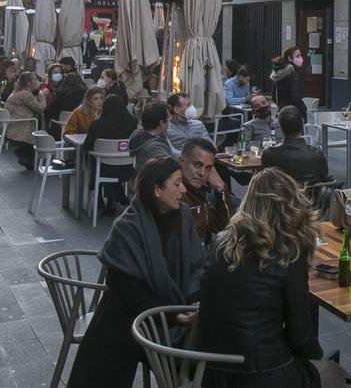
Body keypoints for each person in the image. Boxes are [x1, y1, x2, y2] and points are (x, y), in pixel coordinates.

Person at [68, 157, 205, 388]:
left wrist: (192, 302)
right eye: (176, 183)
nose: (183, 189)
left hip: (177, 305)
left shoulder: (182, 216)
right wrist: (170, 314)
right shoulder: (127, 227)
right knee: (115, 330)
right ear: (156, 190)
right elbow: (126, 287)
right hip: (133, 308)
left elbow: (196, 266)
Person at [196, 168, 326, 387]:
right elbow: (300, 334)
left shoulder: (221, 244)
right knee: (329, 373)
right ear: (291, 204)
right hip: (263, 373)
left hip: (211, 373)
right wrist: (315, 354)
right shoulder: (288, 252)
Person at [83, 95, 141, 213]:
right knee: (112, 161)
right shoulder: (132, 122)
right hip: (127, 167)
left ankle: (103, 196)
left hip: (103, 169)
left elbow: (87, 146)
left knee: (97, 158)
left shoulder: (97, 125)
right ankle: (116, 194)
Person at [178, 137, 231, 246]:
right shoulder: (173, 194)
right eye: (197, 164)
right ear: (181, 161)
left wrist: (221, 188)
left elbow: (221, 227)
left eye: (208, 168)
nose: (202, 173)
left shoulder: (199, 190)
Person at [261, 106, 330, 186]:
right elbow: (324, 178)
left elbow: (264, 181)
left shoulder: (269, 154)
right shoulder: (316, 154)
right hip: (308, 197)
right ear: (303, 123)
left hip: (279, 198)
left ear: (281, 128)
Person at [3, 72, 48, 170]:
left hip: (11, 125)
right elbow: (40, 108)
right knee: (38, 122)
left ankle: (26, 157)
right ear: (29, 82)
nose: (37, 82)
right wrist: (42, 95)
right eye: (35, 80)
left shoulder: (17, 92)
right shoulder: (26, 94)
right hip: (20, 127)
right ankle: (26, 156)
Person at [129, 101, 177, 167]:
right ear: (161, 123)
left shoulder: (159, 135)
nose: (169, 120)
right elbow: (169, 167)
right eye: (168, 117)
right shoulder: (153, 148)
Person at [47, 72, 87, 139]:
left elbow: (49, 111)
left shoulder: (61, 94)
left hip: (60, 129)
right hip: (81, 128)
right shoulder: (85, 94)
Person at [270, 46, 306, 118]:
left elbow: (274, 95)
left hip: (281, 110)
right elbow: (296, 96)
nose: (301, 58)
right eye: (298, 56)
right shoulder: (293, 73)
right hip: (293, 112)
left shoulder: (278, 73)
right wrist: (303, 109)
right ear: (290, 58)